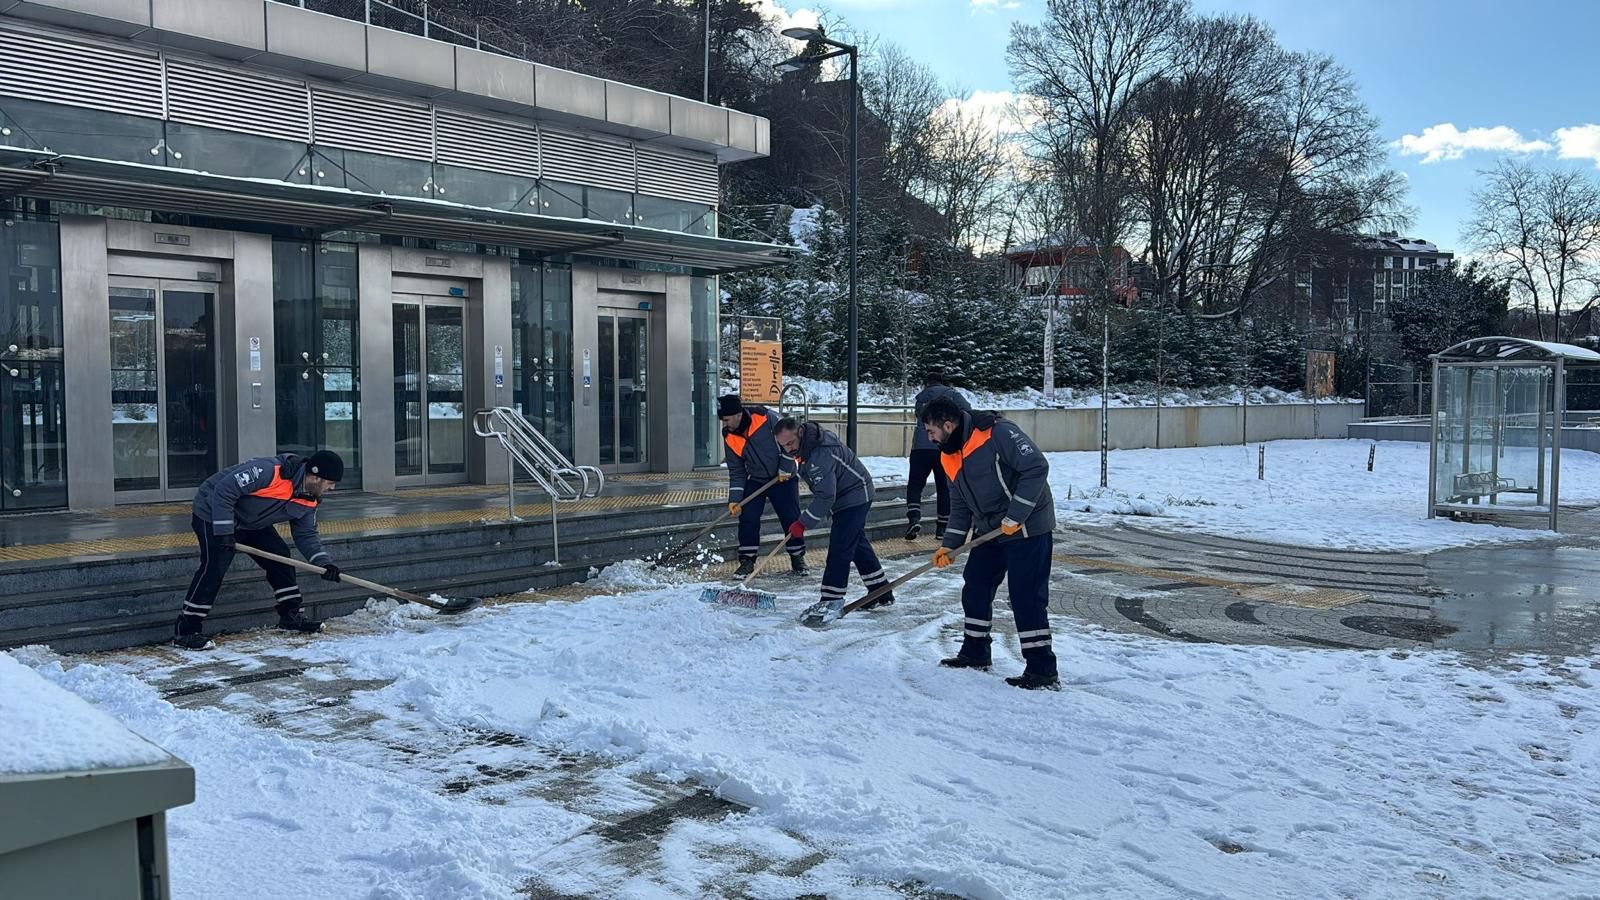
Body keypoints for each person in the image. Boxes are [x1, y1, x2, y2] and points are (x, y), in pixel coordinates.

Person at [920, 397, 1059, 690]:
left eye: (931, 431)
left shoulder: (997, 433)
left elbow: (1036, 467)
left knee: (1026, 595)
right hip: (990, 530)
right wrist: (951, 545)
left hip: (1027, 527)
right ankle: (975, 651)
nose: (929, 438)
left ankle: (1042, 669)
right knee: (976, 585)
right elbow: (959, 504)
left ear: (948, 424)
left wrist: (1017, 513)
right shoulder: (948, 454)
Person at [174, 450, 346, 650]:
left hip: (253, 523)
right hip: (212, 512)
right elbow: (224, 490)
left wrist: (323, 563)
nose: (332, 488)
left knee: (280, 558)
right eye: (330, 483)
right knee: (214, 567)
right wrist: (223, 530)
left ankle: (290, 616)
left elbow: (306, 534)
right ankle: (186, 631)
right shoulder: (270, 471)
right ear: (315, 477)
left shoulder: (309, 498)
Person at [774, 417, 894, 617]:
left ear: (800, 433)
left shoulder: (819, 454)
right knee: (856, 545)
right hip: (845, 496)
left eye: (790, 443)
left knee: (840, 547)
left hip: (855, 495)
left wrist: (802, 523)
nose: (788, 449)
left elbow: (826, 495)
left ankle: (831, 599)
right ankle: (881, 591)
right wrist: (784, 470)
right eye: (783, 446)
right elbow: (793, 461)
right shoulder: (807, 445)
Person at [719, 394, 807, 577]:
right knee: (748, 517)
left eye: (727, 420)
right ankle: (747, 561)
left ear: (737, 414)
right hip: (757, 478)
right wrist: (735, 499)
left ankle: (798, 558)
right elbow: (736, 471)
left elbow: (790, 441)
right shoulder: (728, 435)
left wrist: (785, 467)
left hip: (783, 478)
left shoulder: (765, 417)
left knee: (790, 517)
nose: (725, 424)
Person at [906, 368, 971, 541]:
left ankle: (913, 517)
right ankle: (942, 527)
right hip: (944, 447)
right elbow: (967, 411)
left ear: (926, 383)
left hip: (920, 447)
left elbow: (919, 415)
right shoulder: (953, 395)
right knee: (944, 486)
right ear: (942, 381)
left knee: (915, 484)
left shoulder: (921, 397)